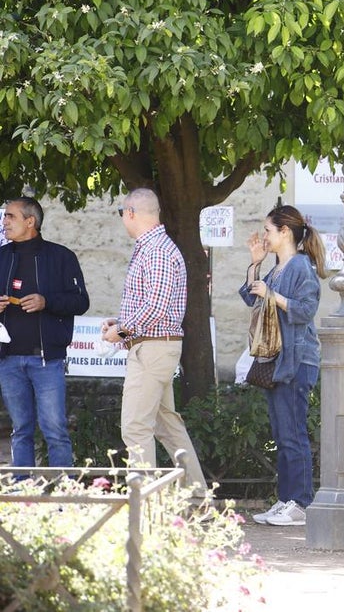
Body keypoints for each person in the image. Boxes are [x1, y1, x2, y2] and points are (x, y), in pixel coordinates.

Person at [100, 188, 207, 493]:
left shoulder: (156, 249)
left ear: (131, 212)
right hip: (154, 345)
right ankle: (197, 496)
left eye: (122, 213)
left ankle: (145, 505)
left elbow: (157, 307)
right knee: (167, 426)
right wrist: (120, 325)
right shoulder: (155, 247)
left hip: (152, 347)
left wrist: (120, 331)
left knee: (135, 427)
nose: (123, 219)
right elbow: (154, 306)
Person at [240, 205, 326, 527]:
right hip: (277, 361)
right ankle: (286, 499)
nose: (264, 236)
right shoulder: (277, 267)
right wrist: (255, 265)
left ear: (284, 232)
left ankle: (301, 503)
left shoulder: (301, 266)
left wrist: (272, 295)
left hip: (297, 361)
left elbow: (305, 310)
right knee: (281, 433)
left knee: (293, 433)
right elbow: (251, 297)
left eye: (268, 230)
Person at [0, 197, 89, 469]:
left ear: (30, 221)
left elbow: (80, 302)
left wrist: (45, 301)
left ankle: (65, 491)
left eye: (10, 217)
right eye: (4, 217)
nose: (4, 222)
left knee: (55, 431)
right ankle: (22, 490)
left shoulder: (61, 256)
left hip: (46, 359)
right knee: (20, 430)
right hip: (8, 359)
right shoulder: (1, 256)